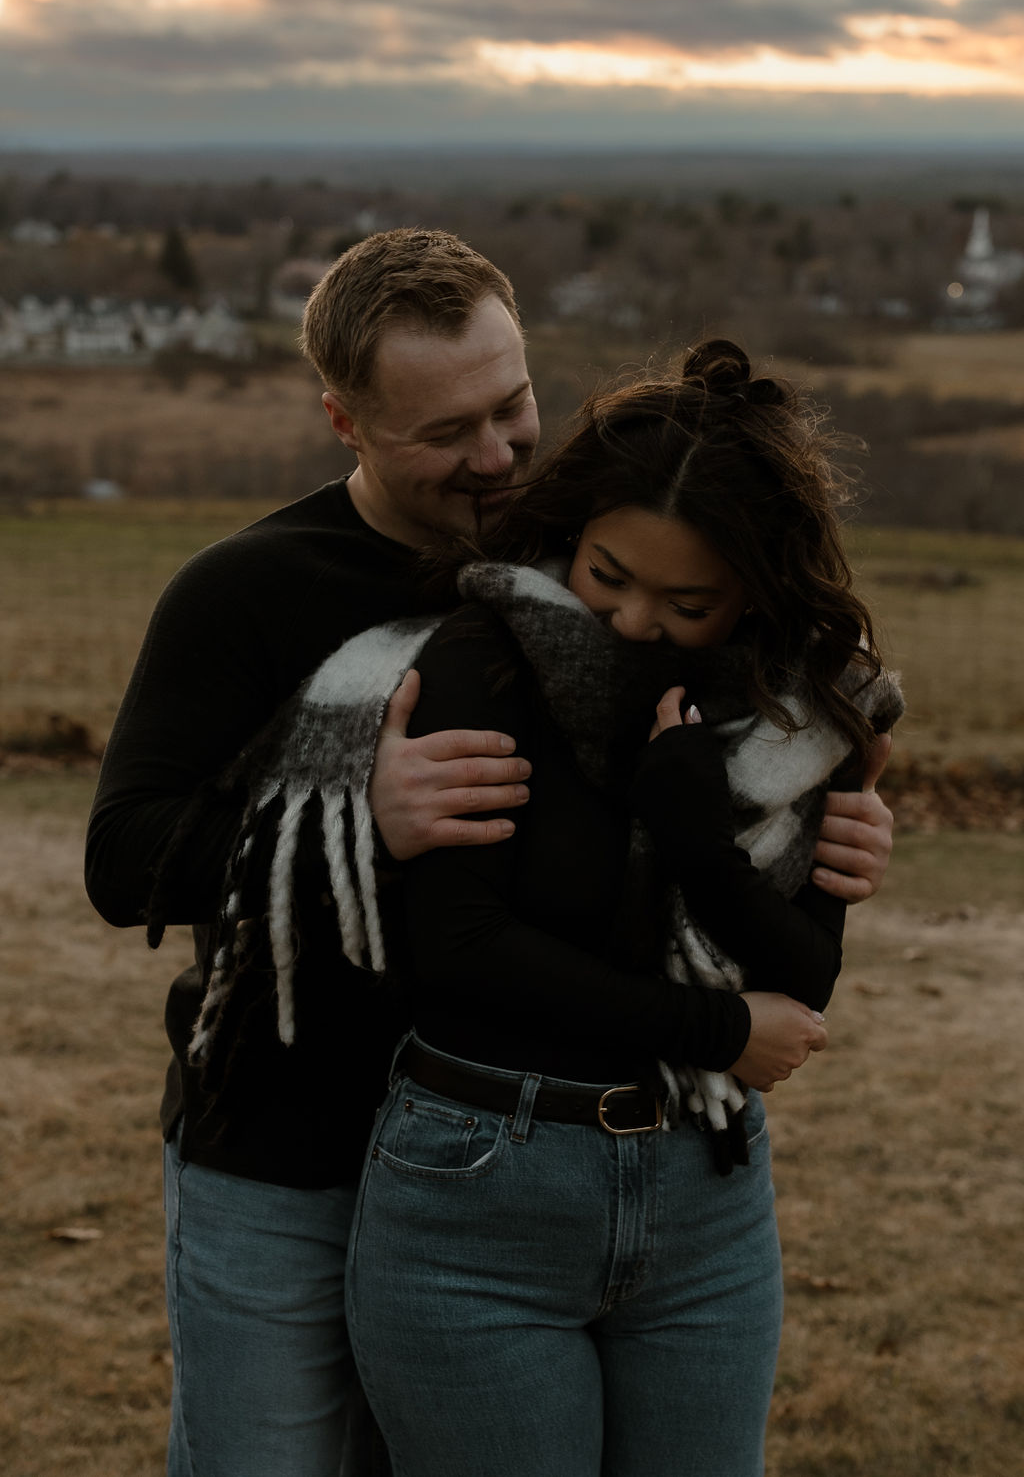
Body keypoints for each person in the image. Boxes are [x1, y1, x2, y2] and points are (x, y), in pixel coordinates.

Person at [84, 230, 894, 1477]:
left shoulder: (583, 564)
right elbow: (124, 859)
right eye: (445, 432)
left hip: (533, 1155)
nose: (499, 453)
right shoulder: (248, 589)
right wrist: (363, 814)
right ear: (344, 420)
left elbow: (699, 767)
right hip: (288, 1148)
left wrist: (814, 819)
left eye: (511, 404)